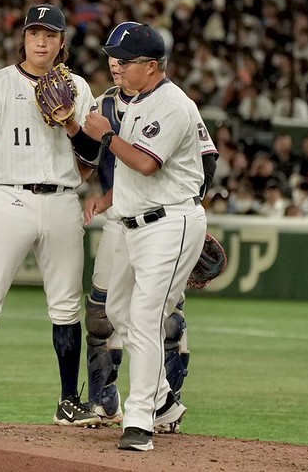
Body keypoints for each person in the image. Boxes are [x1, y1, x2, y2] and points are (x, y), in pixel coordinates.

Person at [0, 4, 102, 427]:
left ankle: (69, 400)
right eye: (35, 32)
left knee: (66, 306)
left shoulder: (77, 87)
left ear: (61, 42)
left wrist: (72, 124)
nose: (41, 41)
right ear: (23, 37)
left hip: (62, 201)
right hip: (9, 198)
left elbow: (92, 154)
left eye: (50, 35)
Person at [81, 23, 219, 432]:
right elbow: (132, 172)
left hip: (169, 220)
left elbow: (146, 162)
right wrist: (108, 198)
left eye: (125, 60)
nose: (116, 65)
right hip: (134, 220)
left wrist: (106, 136)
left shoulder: (172, 104)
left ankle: (139, 422)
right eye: (114, 57)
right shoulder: (137, 102)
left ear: (153, 66)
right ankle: (162, 402)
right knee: (118, 309)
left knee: (147, 315)